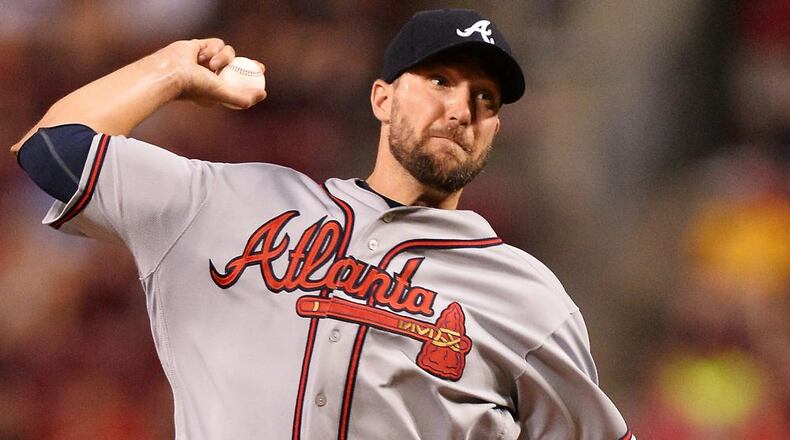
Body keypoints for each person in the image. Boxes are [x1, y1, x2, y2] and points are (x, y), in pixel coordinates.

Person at [11, 8, 634, 440]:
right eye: (439, 80)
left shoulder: (528, 298)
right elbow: (52, 150)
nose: (460, 108)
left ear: (495, 127)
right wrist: (171, 72)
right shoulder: (231, 201)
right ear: (382, 99)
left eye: (485, 98)